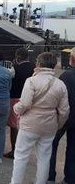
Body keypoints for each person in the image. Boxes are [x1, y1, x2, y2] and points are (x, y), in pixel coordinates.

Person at [10, 52, 69, 184]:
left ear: (39, 64)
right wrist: (57, 125)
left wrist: (16, 109)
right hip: (49, 125)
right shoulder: (60, 84)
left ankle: (16, 182)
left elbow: (25, 103)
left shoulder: (31, 81)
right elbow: (64, 111)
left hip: (30, 124)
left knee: (21, 156)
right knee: (44, 157)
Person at [48, 47, 75, 184]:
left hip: (64, 117)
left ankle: (50, 176)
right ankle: (70, 178)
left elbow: (59, 97)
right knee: (72, 149)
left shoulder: (66, 76)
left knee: (51, 145)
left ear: (72, 59)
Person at [4, 48, 34, 159]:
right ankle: (25, 148)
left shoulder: (14, 69)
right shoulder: (34, 67)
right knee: (25, 125)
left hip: (15, 98)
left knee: (14, 126)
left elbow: (8, 80)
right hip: (30, 99)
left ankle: (14, 150)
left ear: (17, 57)